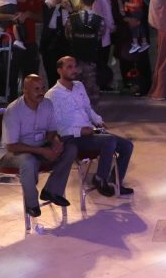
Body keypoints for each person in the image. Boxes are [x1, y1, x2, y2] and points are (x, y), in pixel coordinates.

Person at [46, 56, 135, 198]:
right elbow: (57, 126)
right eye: (69, 67)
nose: (74, 70)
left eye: (75, 66)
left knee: (127, 146)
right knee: (109, 141)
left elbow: (87, 108)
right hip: (72, 137)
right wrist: (80, 131)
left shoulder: (79, 86)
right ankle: (100, 179)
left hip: (90, 132)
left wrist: (98, 120)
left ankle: (115, 182)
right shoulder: (52, 95)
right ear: (59, 70)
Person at [0, 74, 77, 217]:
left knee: (70, 148)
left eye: (42, 88)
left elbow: (52, 130)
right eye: (36, 89)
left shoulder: (47, 104)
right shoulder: (14, 110)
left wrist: (55, 142)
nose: (41, 92)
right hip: (13, 153)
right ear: (25, 91)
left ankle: (52, 190)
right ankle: (32, 204)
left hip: (40, 146)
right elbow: (12, 146)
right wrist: (41, 151)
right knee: (28, 161)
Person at [64, 0, 105, 105]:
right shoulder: (100, 20)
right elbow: (99, 37)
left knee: (74, 89)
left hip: (75, 59)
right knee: (91, 91)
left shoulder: (71, 19)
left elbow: (68, 36)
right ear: (93, 2)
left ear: (81, 0)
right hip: (91, 59)